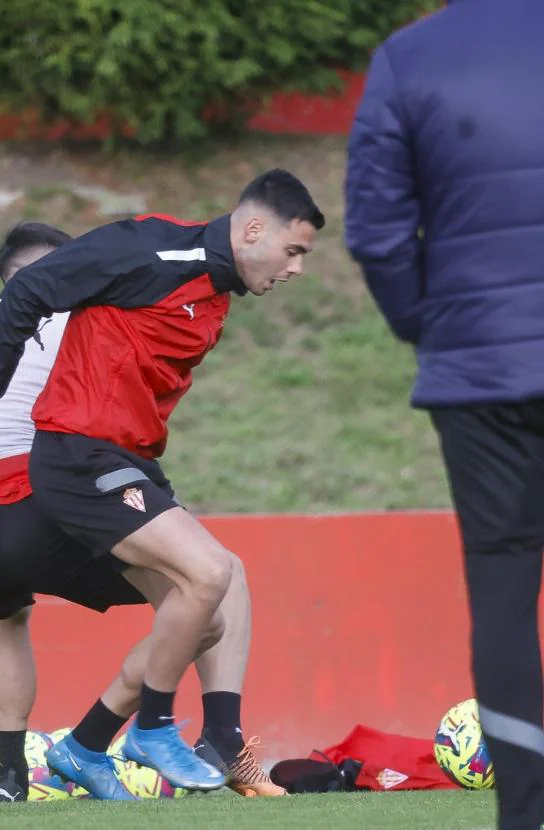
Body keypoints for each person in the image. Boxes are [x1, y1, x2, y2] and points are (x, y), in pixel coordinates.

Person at [0, 222, 285, 801]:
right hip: (53, 508)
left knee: (7, 615)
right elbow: (115, 427)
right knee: (210, 589)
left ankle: (11, 778)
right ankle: (173, 740)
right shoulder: (91, 318)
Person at [0, 171, 324, 791]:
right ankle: (154, 727)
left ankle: (107, 743)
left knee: (222, 590)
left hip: (124, 460)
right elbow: (34, 287)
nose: (296, 269)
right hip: (78, 454)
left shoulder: (214, 291)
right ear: (254, 230)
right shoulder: (154, 249)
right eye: (294, 252)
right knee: (206, 572)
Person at [345, 3, 544, 827]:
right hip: (478, 360)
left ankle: (525, 815)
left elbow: (378, 234)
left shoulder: (408, 57)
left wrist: (433, 326)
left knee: (501, 590)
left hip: (481, 375)